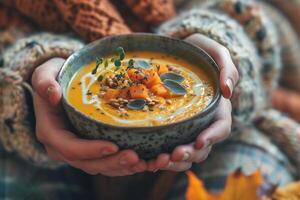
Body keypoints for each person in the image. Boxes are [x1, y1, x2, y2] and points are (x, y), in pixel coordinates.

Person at [0, 0, 300, 199]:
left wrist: (223, 44)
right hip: (32, 154)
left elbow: (272, 13)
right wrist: (25, 88)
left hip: (227, 137)